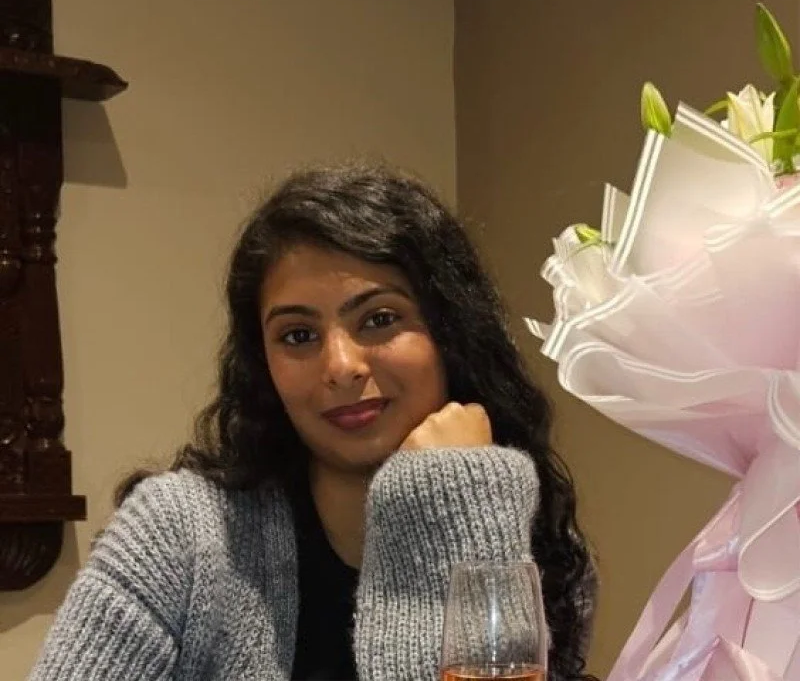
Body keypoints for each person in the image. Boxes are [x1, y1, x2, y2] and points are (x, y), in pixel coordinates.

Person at [30, 162, 596, 681]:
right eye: (298, 335)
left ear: (452, 334)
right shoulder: (176, 535)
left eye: (379, 318)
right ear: (263, 364)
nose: (341, 367)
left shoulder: (539, 544)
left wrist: (454, 499)